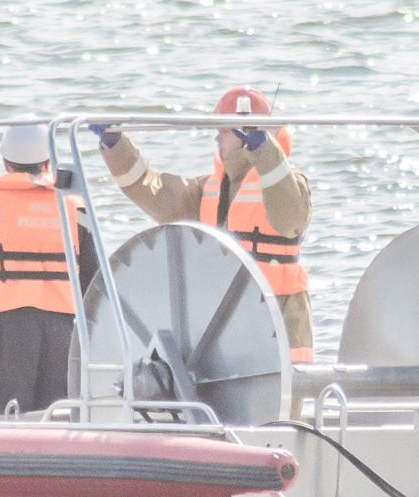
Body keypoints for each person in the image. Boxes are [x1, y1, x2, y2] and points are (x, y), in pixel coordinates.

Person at [93, 86, 312, 362]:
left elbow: (290, 216)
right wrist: (116, 146)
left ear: (247, 131)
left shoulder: (290, 183)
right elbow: (158, 195)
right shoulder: (210, 187)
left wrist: (265, 152)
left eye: (223, 129)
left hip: (277, 322)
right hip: (225, 320)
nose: (216, 136)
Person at [0, 123, 101, 417]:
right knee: (57, 418)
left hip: (6, 330)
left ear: (5, 162)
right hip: (63, 331)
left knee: (5, 420)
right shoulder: (75, 209)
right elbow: (96, 280)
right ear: (48, 162)